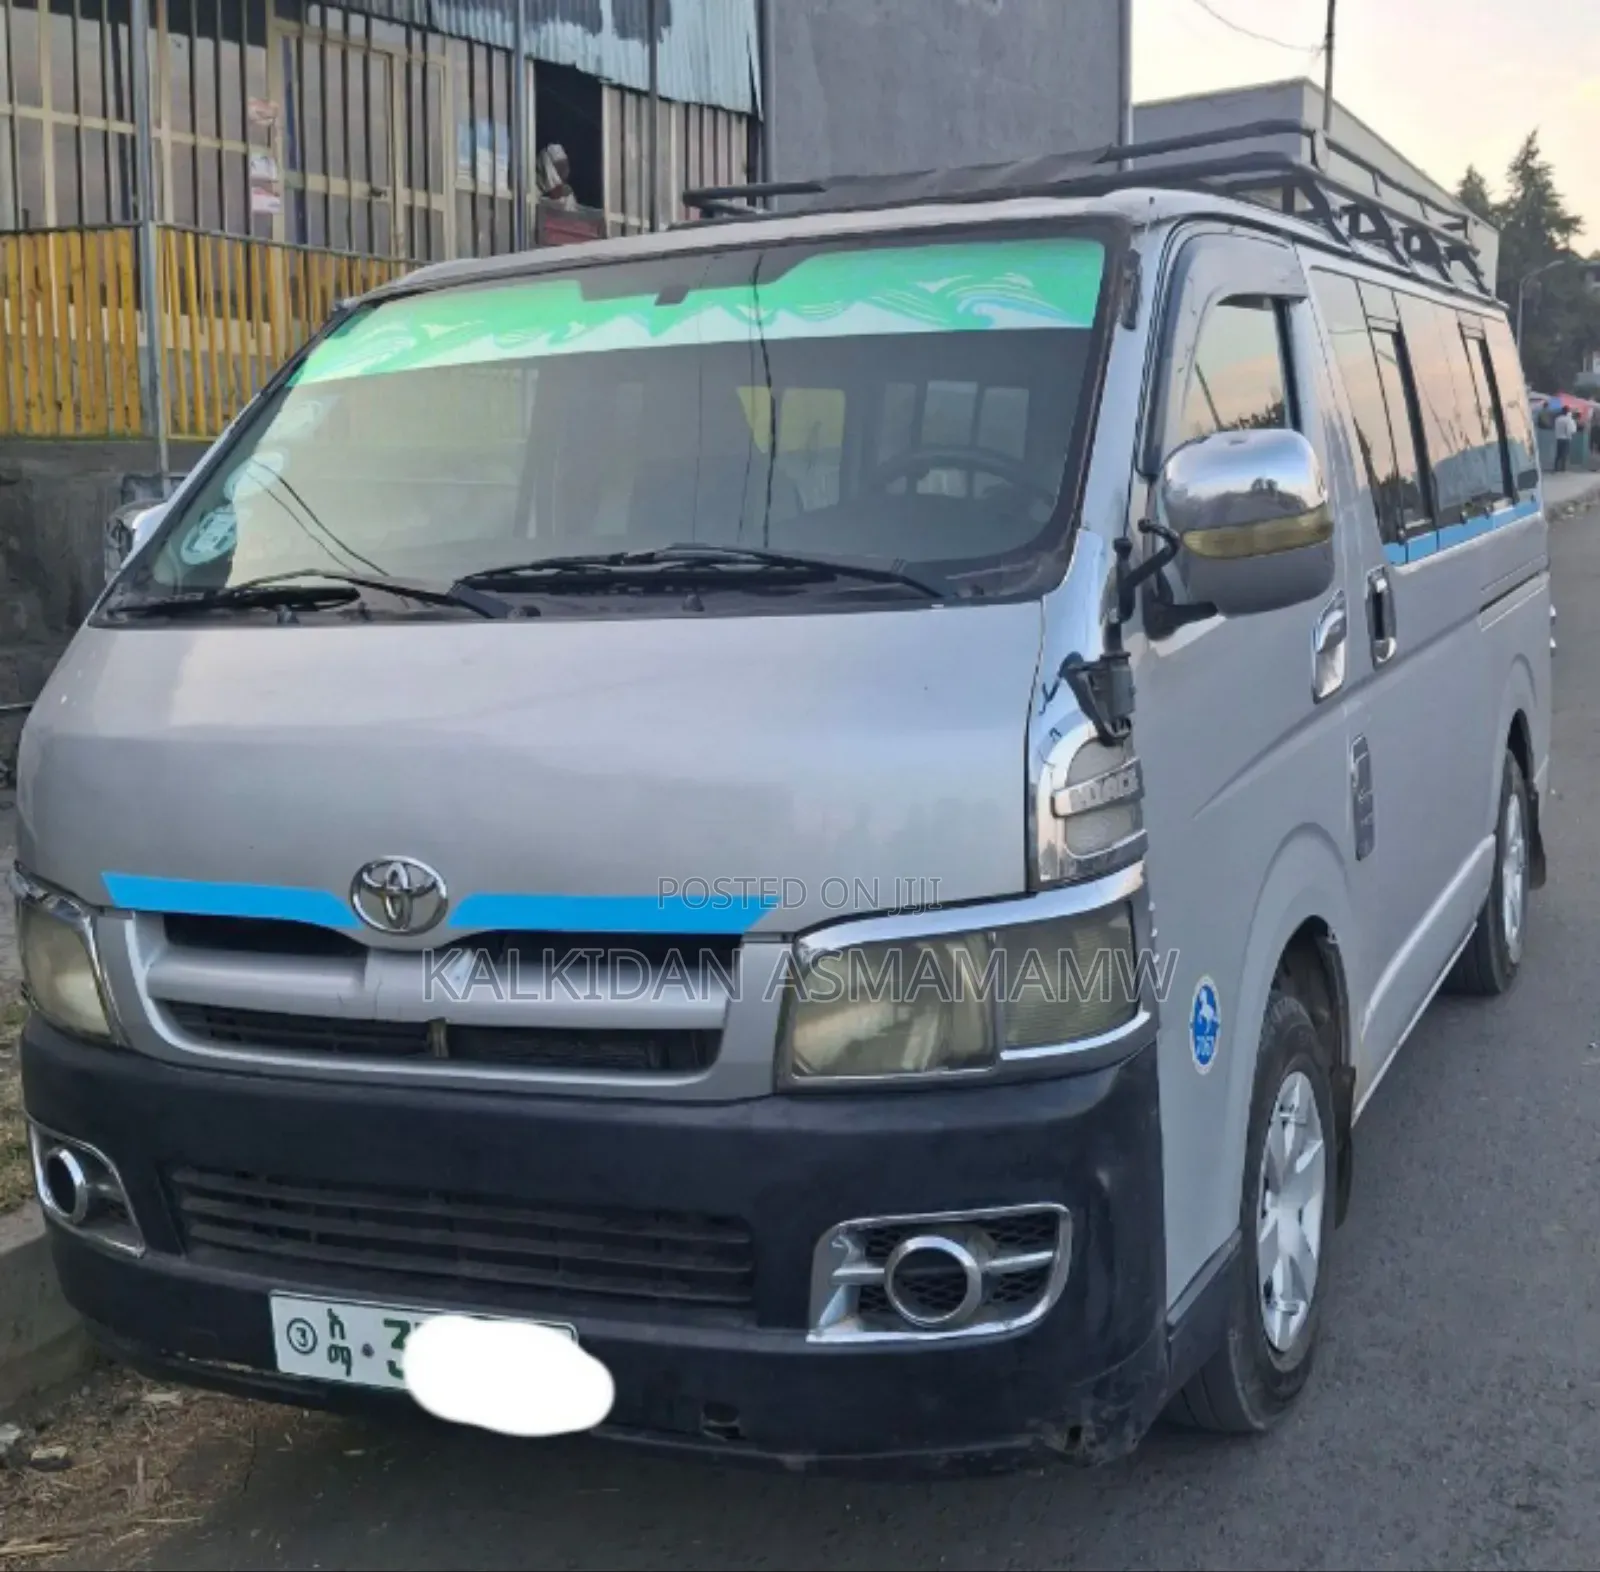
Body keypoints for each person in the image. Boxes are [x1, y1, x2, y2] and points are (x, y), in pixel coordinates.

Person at [1555, 407, 1577, 472]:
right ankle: (1563, 468)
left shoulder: (1557, 419)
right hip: (1566, 438)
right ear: (1567, 412)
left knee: (1558, 454)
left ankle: (1556, 467)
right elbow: (1570, 430)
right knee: (1565, 454)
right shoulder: (1568, 420)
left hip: (1558, 438)